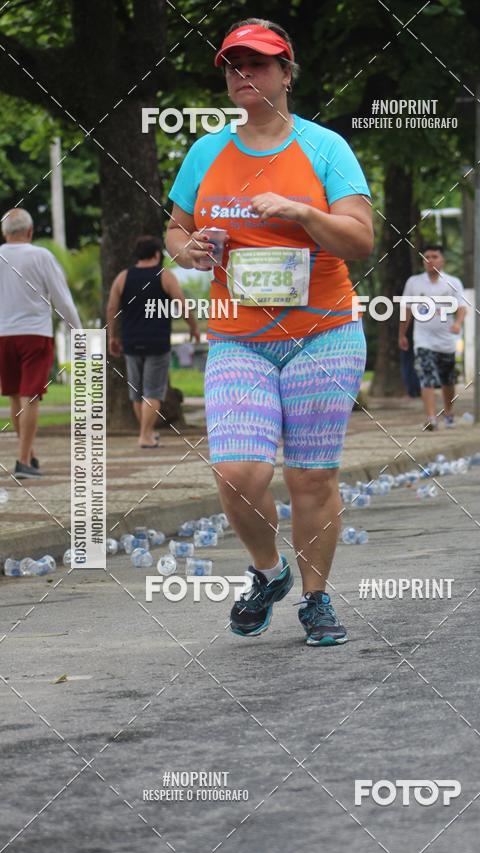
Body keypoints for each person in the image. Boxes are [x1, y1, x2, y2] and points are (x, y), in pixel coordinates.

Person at [166, 18, 373, 646]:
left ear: (286, 73)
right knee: (237, 472)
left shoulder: (325, 148)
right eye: (233, 65)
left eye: (257, 63)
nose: (243, 74)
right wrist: (190, 249)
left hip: (323, 334)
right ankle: (268, 571)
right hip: (239, 338)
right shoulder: (206, 152)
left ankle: (316, 599)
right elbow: (175, 231)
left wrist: (302, 212)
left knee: (310, 477)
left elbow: (360, 240)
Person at [0, 208, 82, 478]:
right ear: (30, 231)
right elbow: (62, 299)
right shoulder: (41, 256)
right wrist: (77, 331)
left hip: (3, 335)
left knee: (15, 395)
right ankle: (23, 461)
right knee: (31, 395)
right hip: (35, 334)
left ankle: (29, 454)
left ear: (4, 232)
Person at [106, 235, 199, 448]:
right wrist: (193, 327)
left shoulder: (123, 277)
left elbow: (111, 307)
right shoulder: (164, 276)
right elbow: (182, 304)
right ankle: (145, 435)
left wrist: (112, 336)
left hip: (130, 341)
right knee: (153, 391)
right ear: (157, 254)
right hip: (157, 342)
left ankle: (146, 433)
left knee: (137, 393)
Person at [398, 244, 467, 430]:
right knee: (426, 375)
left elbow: (462, 307)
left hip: (447, 340)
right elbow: (406, 309)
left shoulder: (453, 282)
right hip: (423, 338)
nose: (430, 260)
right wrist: (402, 334)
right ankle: (431, 417)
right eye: (426, 257)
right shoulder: (414, 282)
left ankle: (448, 412)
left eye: (434, 256)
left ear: (442, 260)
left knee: (447, 380)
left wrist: (458, 323)